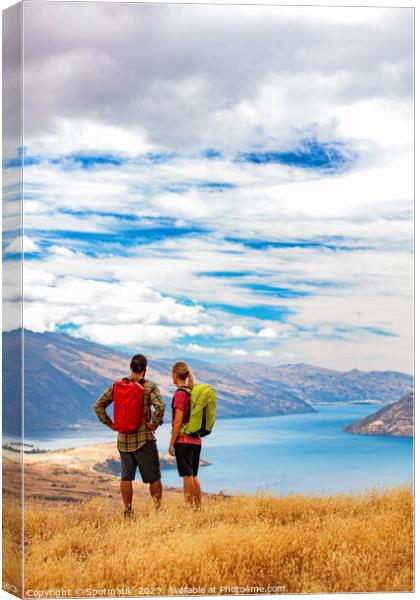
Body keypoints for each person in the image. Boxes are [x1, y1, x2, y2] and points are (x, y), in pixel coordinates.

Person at [93, 354, 165, 517]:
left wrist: (111, 425)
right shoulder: (149, 387)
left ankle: (128, 511)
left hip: (123, 440)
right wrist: (155, 423)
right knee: (153, 477)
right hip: (144, 440)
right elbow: (160, 406)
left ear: (130, 367)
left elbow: (98, 406)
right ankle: (157, 511)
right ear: (145, 369)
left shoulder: (117, 386)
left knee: (126, 477)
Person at [168, 361, 202, 508]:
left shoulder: (180, 394)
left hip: (184, 441)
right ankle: (198, 508)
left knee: (187, 475)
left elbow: (178, 421)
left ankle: (189, 508)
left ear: (175, 375)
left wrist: (171, 443)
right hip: (196, 440)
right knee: (193, 475)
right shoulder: (192, 392)